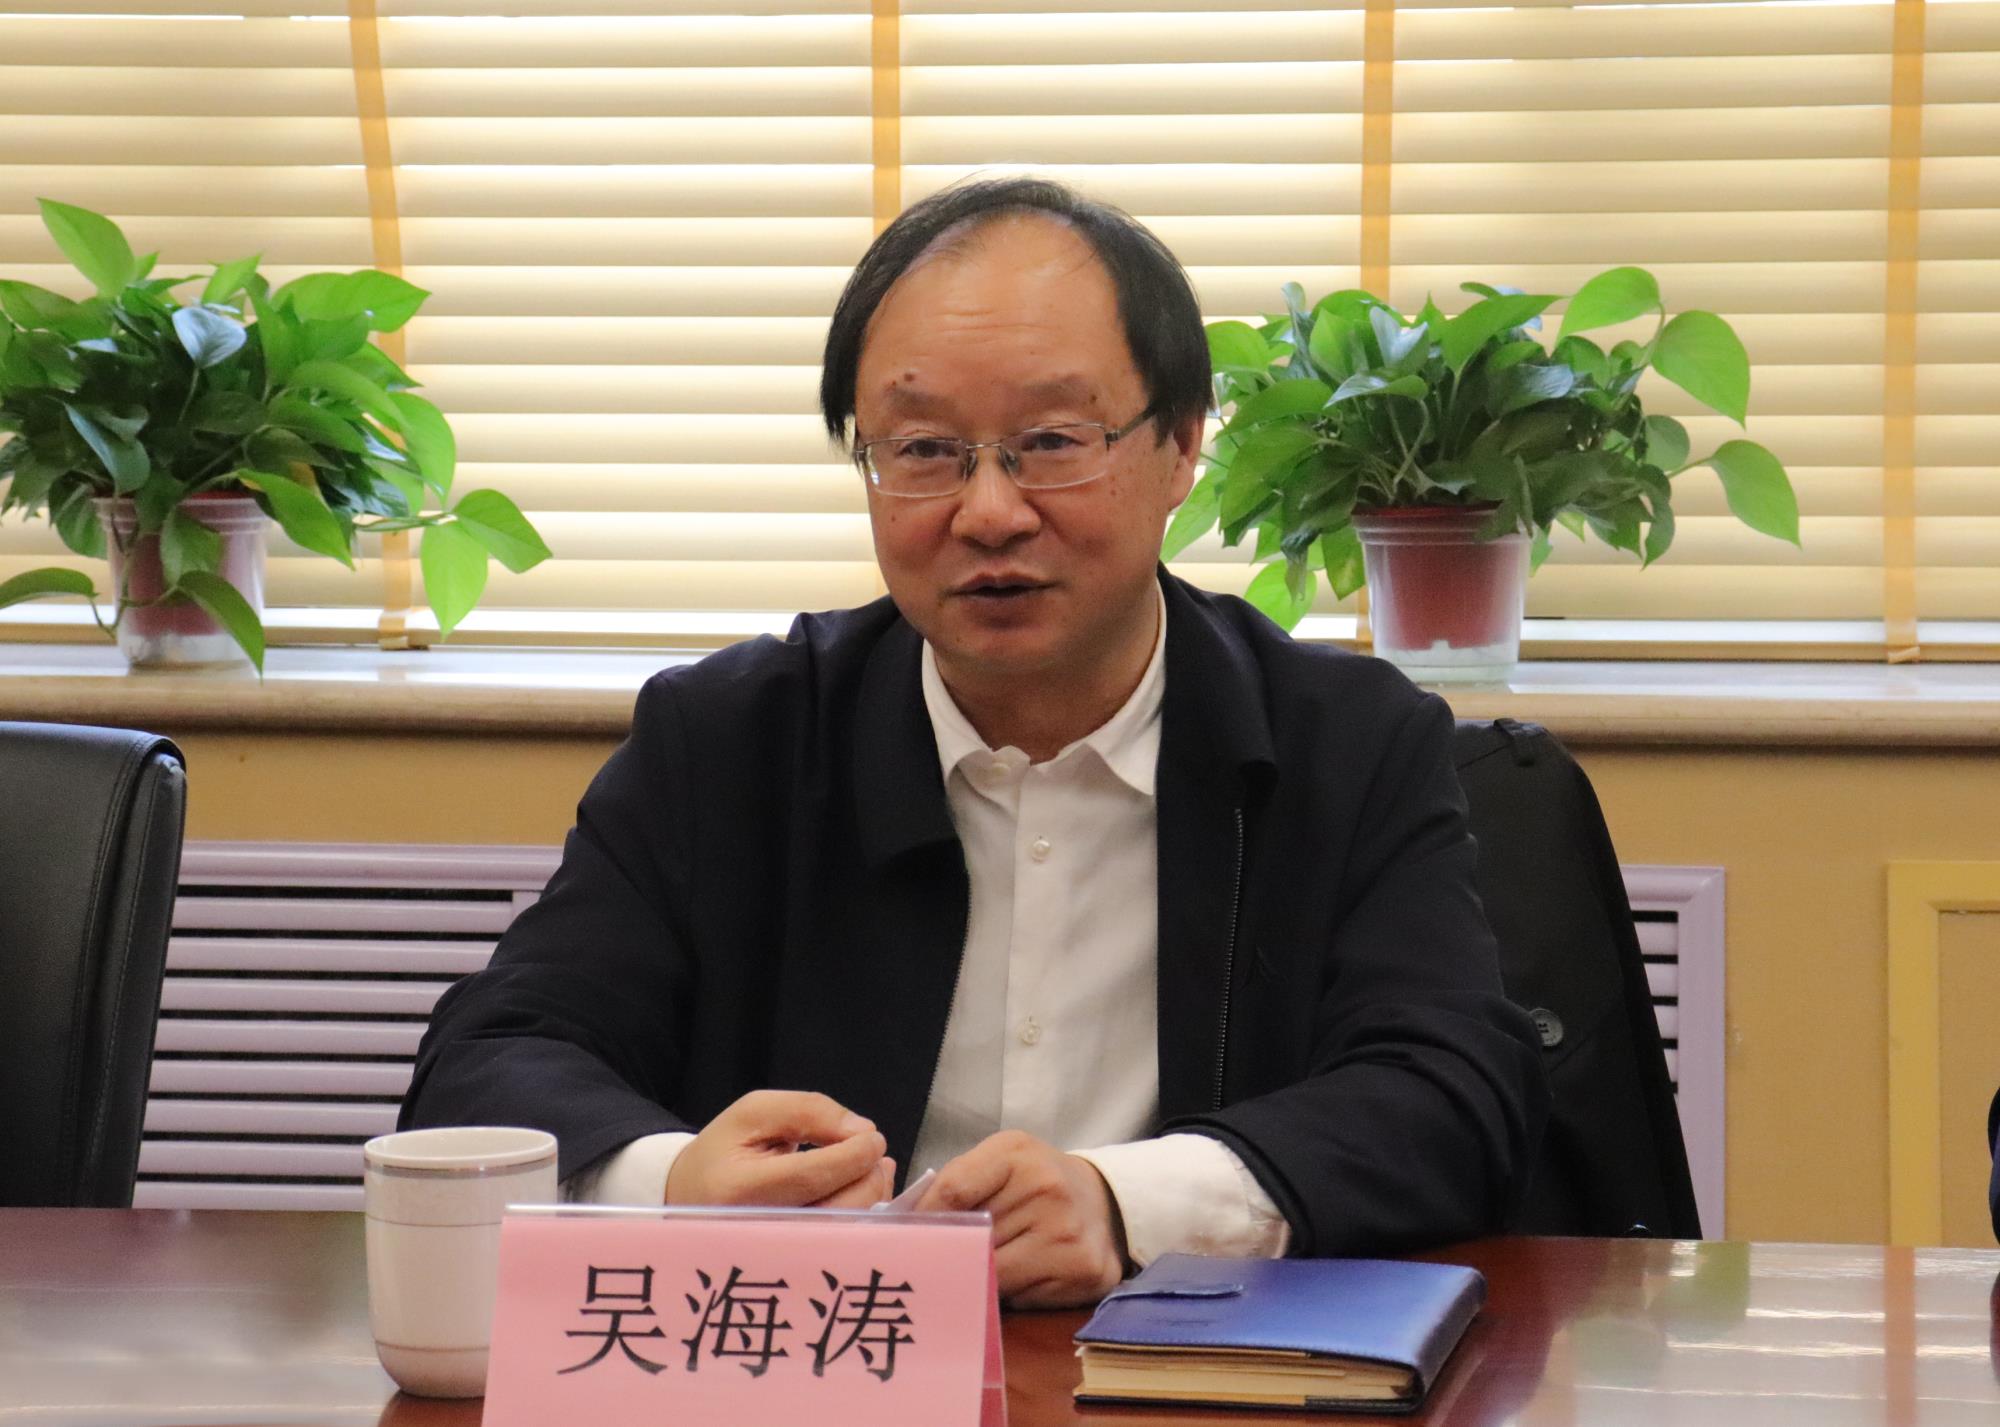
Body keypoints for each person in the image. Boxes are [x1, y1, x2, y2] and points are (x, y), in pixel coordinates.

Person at [401, 178, 1549, 1308]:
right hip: (825, 1360)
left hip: (1194, 1369)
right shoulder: (727, 741)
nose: (988, 511)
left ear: (1180, 445)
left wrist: (1127, 1204)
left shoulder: (1349, 744)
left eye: (1050, 440)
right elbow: (489, 1058)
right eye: (921, 449)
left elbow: (1452, 1092)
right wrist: (675, 1186)